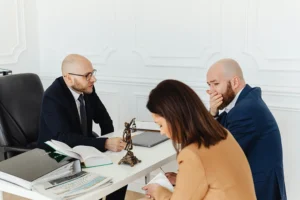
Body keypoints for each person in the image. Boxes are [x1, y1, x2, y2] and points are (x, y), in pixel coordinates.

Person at [142, 79, 256, 200]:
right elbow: (214, 176)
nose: (162, 132)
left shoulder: (192, 154)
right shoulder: (223, 134)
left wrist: (159, 192)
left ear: (174, 118)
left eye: (160, 125)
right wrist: (183, 178)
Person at [38, 54, 127, 199]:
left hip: (80, 146)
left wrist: (111, 147)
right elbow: (63, 137)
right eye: (87, 75)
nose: (93, 79)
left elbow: (104, 119)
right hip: (56, 153)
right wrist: (104, 143)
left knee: (120, 170)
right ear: (68, 78)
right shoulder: (52, 97)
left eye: (92, 73)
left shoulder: (86, 88)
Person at [206, 58, 286, 200]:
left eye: (216, 84)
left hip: (257, 191)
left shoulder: (245, 110)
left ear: (235, 82)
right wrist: (213, 112)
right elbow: (220, 133)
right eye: (209, 85)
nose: (211, 91)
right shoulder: (244, 101)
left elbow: (221, 155)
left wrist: (187, 178)